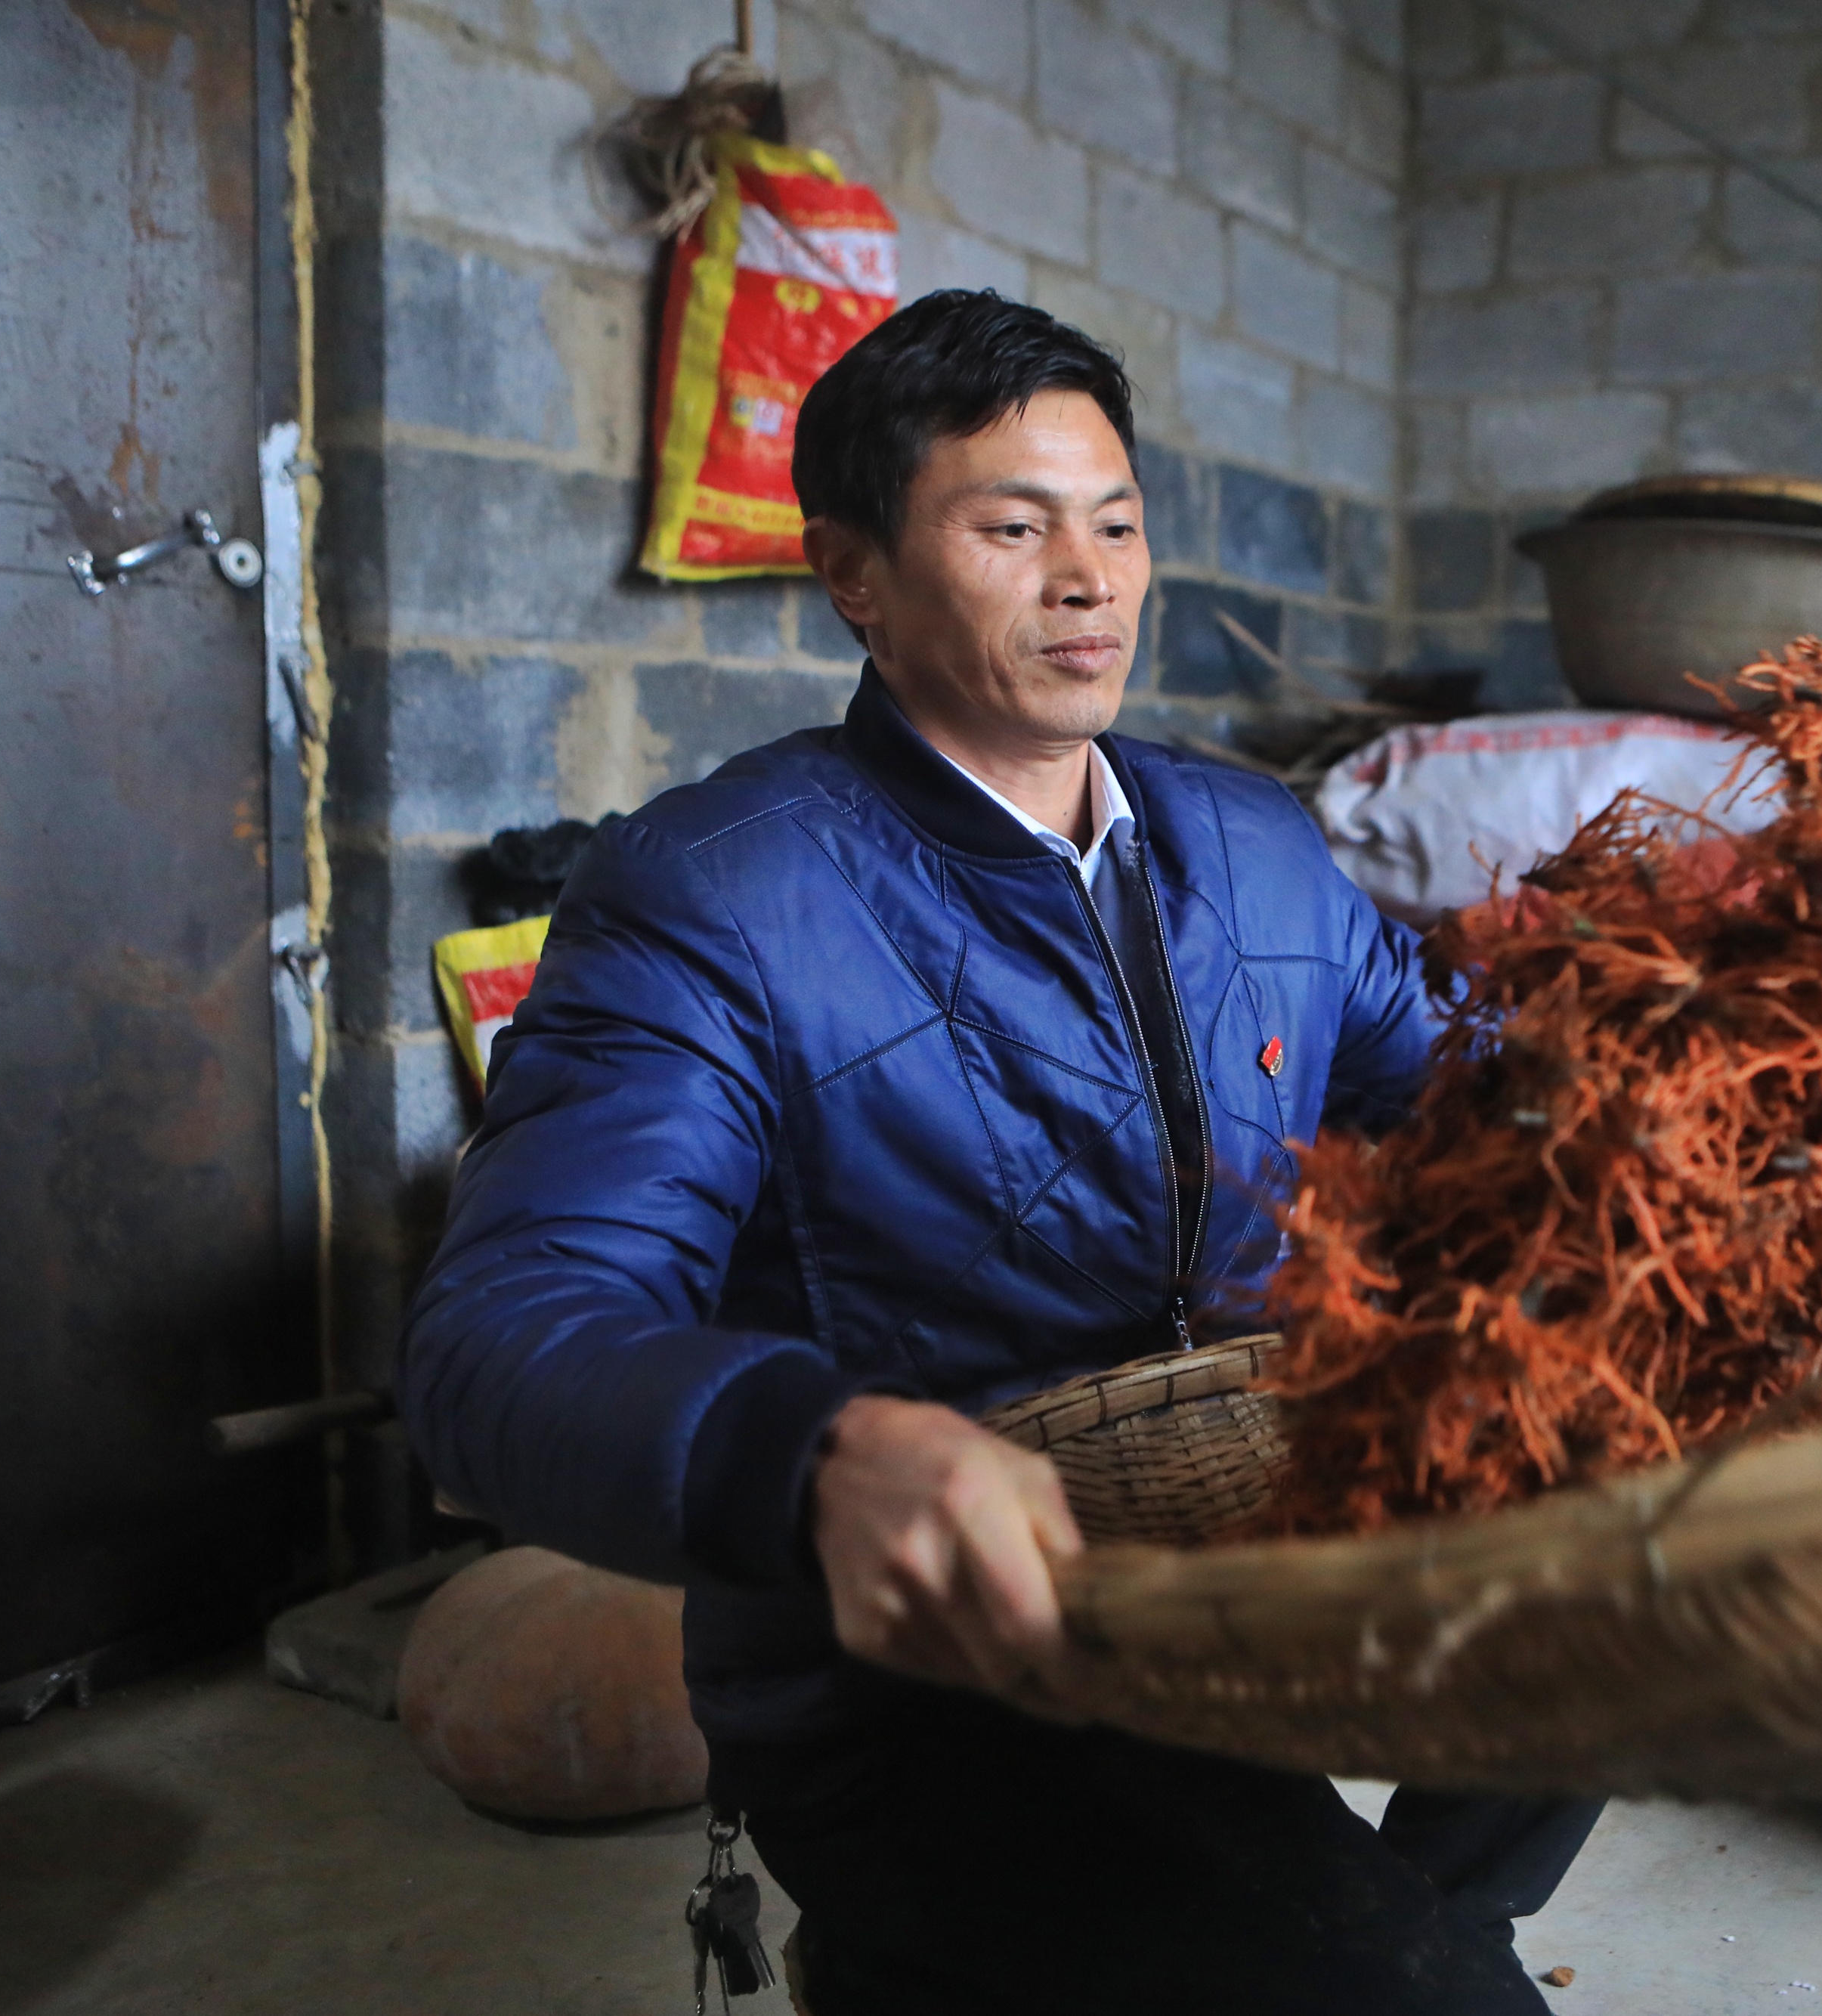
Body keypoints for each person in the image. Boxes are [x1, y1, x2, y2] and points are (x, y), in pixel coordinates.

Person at [401, 289, 1599, 2014]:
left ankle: (1384, 1927)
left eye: (1114, 523)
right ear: (856, 580)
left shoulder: (1254, 845)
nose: (1089, 578)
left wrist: (1678, 1058)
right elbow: (494, 1333)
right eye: (1009, 526)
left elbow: (1452, 1100)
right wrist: (808, 1454)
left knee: (1630, 1508)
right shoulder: (714, 892)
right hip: (931, 1658)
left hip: (1245, 1555)